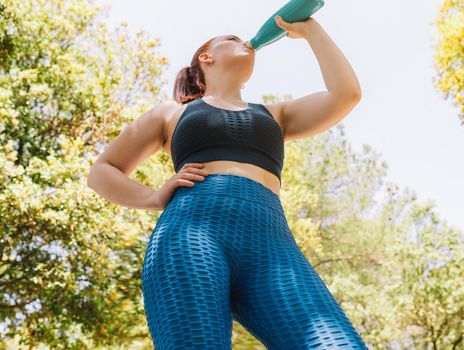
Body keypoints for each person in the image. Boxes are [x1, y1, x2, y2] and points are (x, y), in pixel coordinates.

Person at [87, 15, 366, 350]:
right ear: (207, 57)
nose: (243, 41)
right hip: (189, 235)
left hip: (271, 247)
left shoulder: (275, 114)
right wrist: (154, 196)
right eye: (231, 38)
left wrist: (311, 30)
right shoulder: (171, 113)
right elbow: (102, 171)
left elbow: (346, 94)